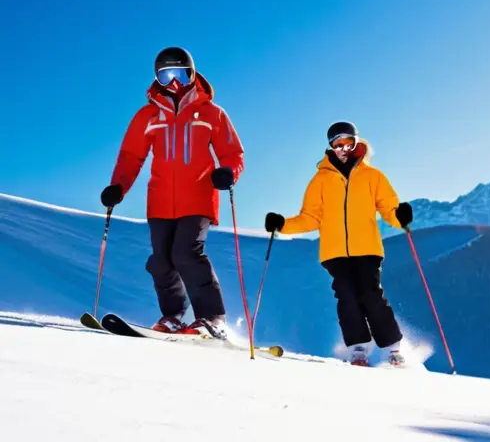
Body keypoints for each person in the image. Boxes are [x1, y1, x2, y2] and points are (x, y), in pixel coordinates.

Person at [99, 46, 245, 339]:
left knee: (187, 253)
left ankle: (212, 317)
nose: (174, 82)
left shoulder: (211, 113)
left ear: (191, 74)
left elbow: (232, 152)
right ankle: (173, 316)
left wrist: (228, 172)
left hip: (199, 196)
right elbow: (131, 156)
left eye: (180, 74)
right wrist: (118, 187)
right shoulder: (148, 116)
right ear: (157, 79)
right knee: (161, 261)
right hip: (160, 201)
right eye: (166, 76)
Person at [264, 121, 413, 366]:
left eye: (347, 142)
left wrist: (400, 217)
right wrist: (282, 224)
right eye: (337, 144)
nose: (343, 148)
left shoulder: (372, 176)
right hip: (334, 252)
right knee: (347, 297)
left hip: (367, 248)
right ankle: (358, 349)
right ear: (331, 147)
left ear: (357, 142)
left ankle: (393, 349)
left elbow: (389, 208)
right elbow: (310, 217)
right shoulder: (320, 180)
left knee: (370, 295)